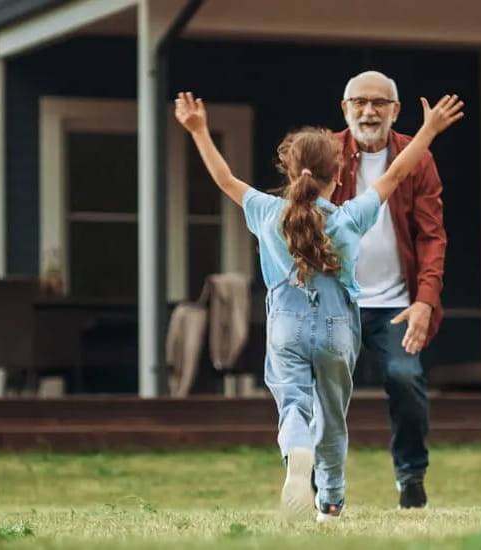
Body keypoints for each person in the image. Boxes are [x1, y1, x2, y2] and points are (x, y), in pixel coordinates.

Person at [174, 91, 463, 521]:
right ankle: (330, 503)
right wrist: (429, 130)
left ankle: (297, 452)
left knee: (293, 403)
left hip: (286, 325)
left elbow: (223, 178)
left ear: (290, 170)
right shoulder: (349, 218)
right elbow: (399, 171)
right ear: (339, 172)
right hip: (336, 329)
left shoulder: (266, 212)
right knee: (332, 416)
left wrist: (198, 130)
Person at [330, 71, 447, 509]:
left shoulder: (416, 159)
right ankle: (322, 484)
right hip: (336, 301)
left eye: (379, 103)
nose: (368, 111)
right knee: (324, 390)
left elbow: (432, 236)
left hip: (397, 302)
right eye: (359, 101)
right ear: (345, 108)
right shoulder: (328, 152)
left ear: (396, 111)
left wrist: (424, 300)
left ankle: (411, 475)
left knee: (405, 377)